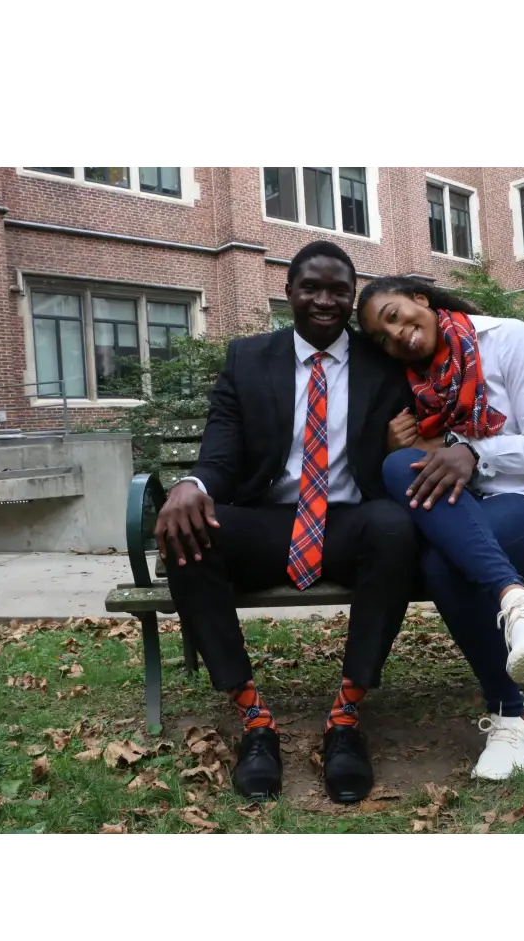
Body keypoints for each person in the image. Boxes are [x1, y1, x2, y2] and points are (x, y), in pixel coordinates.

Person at [156, 241, 418, 805]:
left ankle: (345, 720)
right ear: (289, 292)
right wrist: (191, 485)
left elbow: (431, 415)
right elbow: (220, 453)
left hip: (349, 521)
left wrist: (407, 447)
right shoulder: (248, 358)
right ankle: (255, 721)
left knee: (394, 526)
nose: (324, 300)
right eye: (311, 288)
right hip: (270, 522)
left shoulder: (383, 363)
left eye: (338, 290)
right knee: (187, 536)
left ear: (352, 297)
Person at [355, 277, 524, 781]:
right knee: (400, 472)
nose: (396, 336)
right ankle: (517, 605)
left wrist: (472, 454)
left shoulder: (509, 339)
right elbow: (415, 471)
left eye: (394, 316)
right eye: (382, 338)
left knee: (445, 564)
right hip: (467, 519)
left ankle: (509, 714)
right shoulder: (413, 382)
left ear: (420, 299)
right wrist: (398, 449)